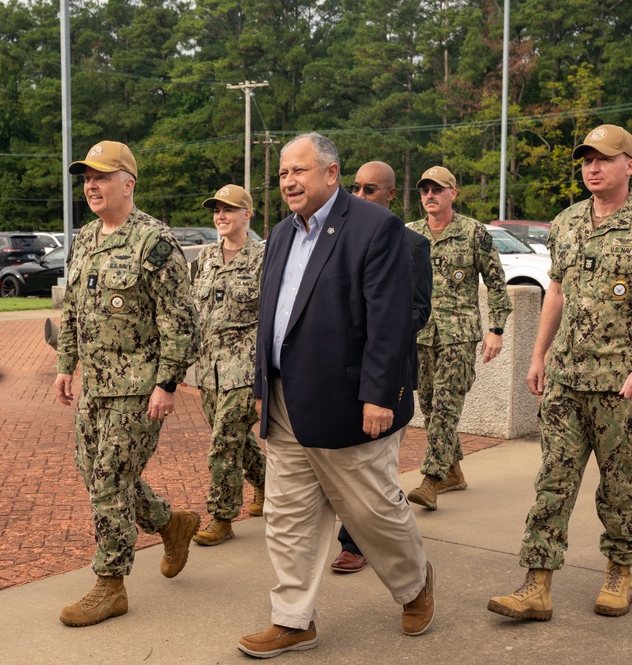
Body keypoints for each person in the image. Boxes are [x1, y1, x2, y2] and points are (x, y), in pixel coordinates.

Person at [238, 133, 434, 658]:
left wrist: (379, 395)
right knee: (286, 516)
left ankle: (415, 584)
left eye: (299, 171)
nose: (289, 182)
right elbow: (270, 319)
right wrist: (263, 385)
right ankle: (293, 619)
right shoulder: (278, 235)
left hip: (348, 401)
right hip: (283, 401)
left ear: (331, 173)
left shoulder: (376, 228)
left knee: (370, 510)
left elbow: (390, 321)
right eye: (282, 174)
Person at [487, 124, 632, 622]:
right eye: (586, 160)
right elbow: (554, 292)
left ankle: (620, 571)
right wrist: (538, 355)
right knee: (552, 481)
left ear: (630, 165)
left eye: (603, 158)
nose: (592, 167)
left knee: (618, 484)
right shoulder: (568, 222)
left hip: (623, 384)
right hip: (566, 379)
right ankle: (536, 584)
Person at [54, 140, 201, 627]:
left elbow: (180, 322)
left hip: (138, 388)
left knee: (109, 483)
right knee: (91, 470)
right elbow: (73, 307)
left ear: (128, 184)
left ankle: (111, 583)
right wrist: (65, 364)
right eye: (86, 178)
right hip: (96, 385)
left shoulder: (154, 242)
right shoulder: (87, 237)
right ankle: (169, 522)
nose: (91, 185)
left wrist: (168, 383)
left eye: (101, 176)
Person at [330, 160, 432, 574]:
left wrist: (370, 330)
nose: (359, 196)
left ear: (391, 195)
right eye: (355, 188)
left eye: (370, 189)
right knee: (347, 464)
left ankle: (361, 544)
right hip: (339, 374)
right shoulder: (336, 240)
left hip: (386, 374)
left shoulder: (411, 244)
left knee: (378, 467)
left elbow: (417, 309)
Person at [406, 165, 511, 510]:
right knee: (430, 405)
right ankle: (453, 472)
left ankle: (431, 480)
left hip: (459, 336)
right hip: (420, 335)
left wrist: (496, 330)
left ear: (453, 193)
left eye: (437, 189)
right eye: (425, 190)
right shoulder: (410, 234)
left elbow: (497, 285)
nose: (430, 196)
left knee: (446, 407)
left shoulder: (473, 233)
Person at [190, 184, 267, 546]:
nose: (221, 216)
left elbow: (272, 319)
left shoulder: (264, 257)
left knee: (223, 442)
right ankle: (265, 483)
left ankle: (222, 516)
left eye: (229, 210)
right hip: (209, 370)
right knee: (235, 439)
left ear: (247, 215)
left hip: (245, 369)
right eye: (217, 210)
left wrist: (267, 376)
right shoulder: (205, 257)